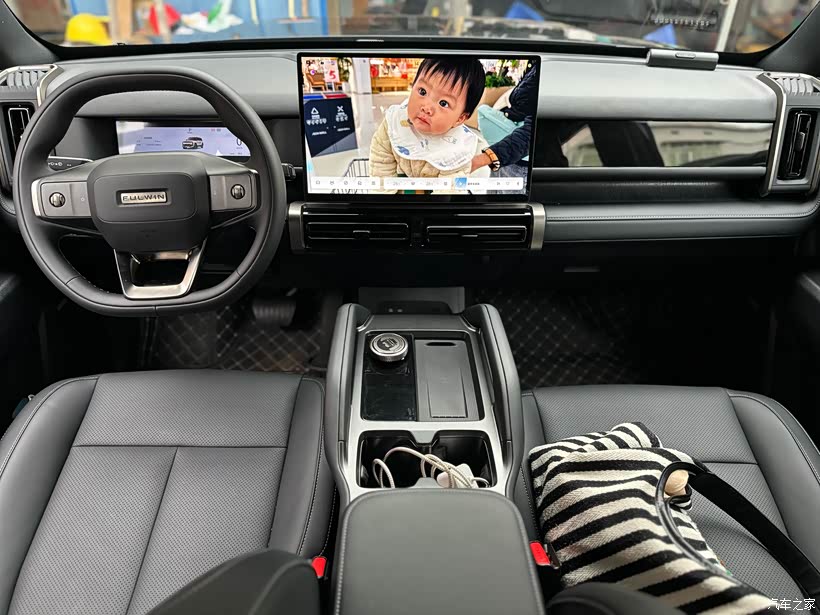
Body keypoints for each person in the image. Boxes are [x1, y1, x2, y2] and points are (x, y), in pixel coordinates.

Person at [369, 58, 487, 191]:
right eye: (422, 92)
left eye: (443, 103)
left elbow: (450, 191)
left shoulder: (458, 150)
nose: (426, 108)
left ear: (460, 118)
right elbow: (381, 164)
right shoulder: (394, 123)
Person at [470, 63, 538, 176]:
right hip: (506, 154)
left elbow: (533, 133)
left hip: (518, 161)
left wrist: (480, 160)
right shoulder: (535, 65)